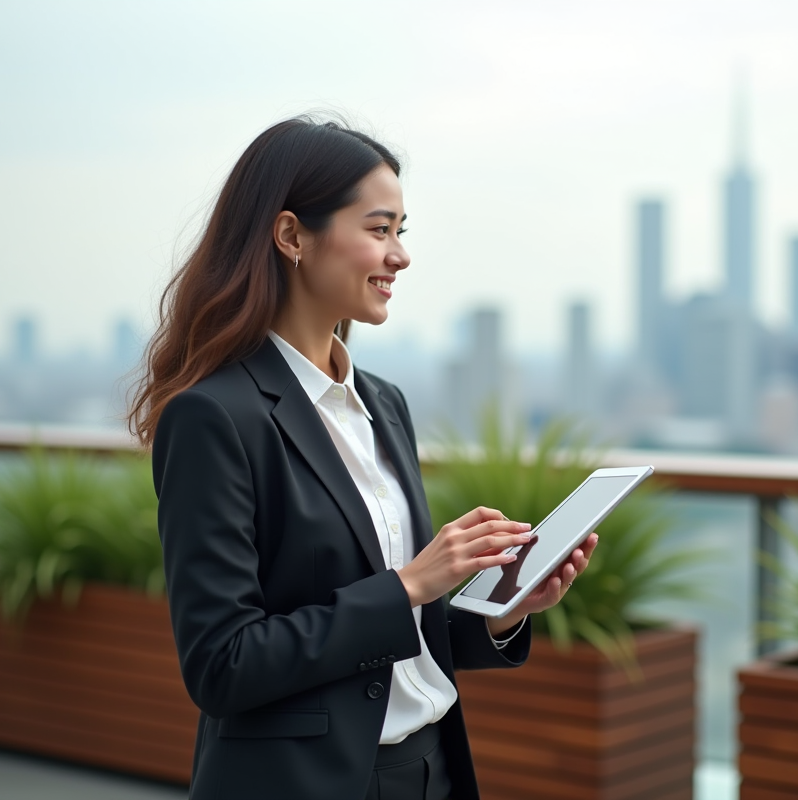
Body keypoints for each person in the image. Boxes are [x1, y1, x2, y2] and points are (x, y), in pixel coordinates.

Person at [127, 115, 598, 800]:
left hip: (430, 770)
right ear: (292, 236)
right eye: (379, 230)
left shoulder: (383, 403)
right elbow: (222, 666)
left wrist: (500, 611)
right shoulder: (214, 417)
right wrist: (409, 583)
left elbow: (393, 647)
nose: (400, 256)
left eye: (400, 232)